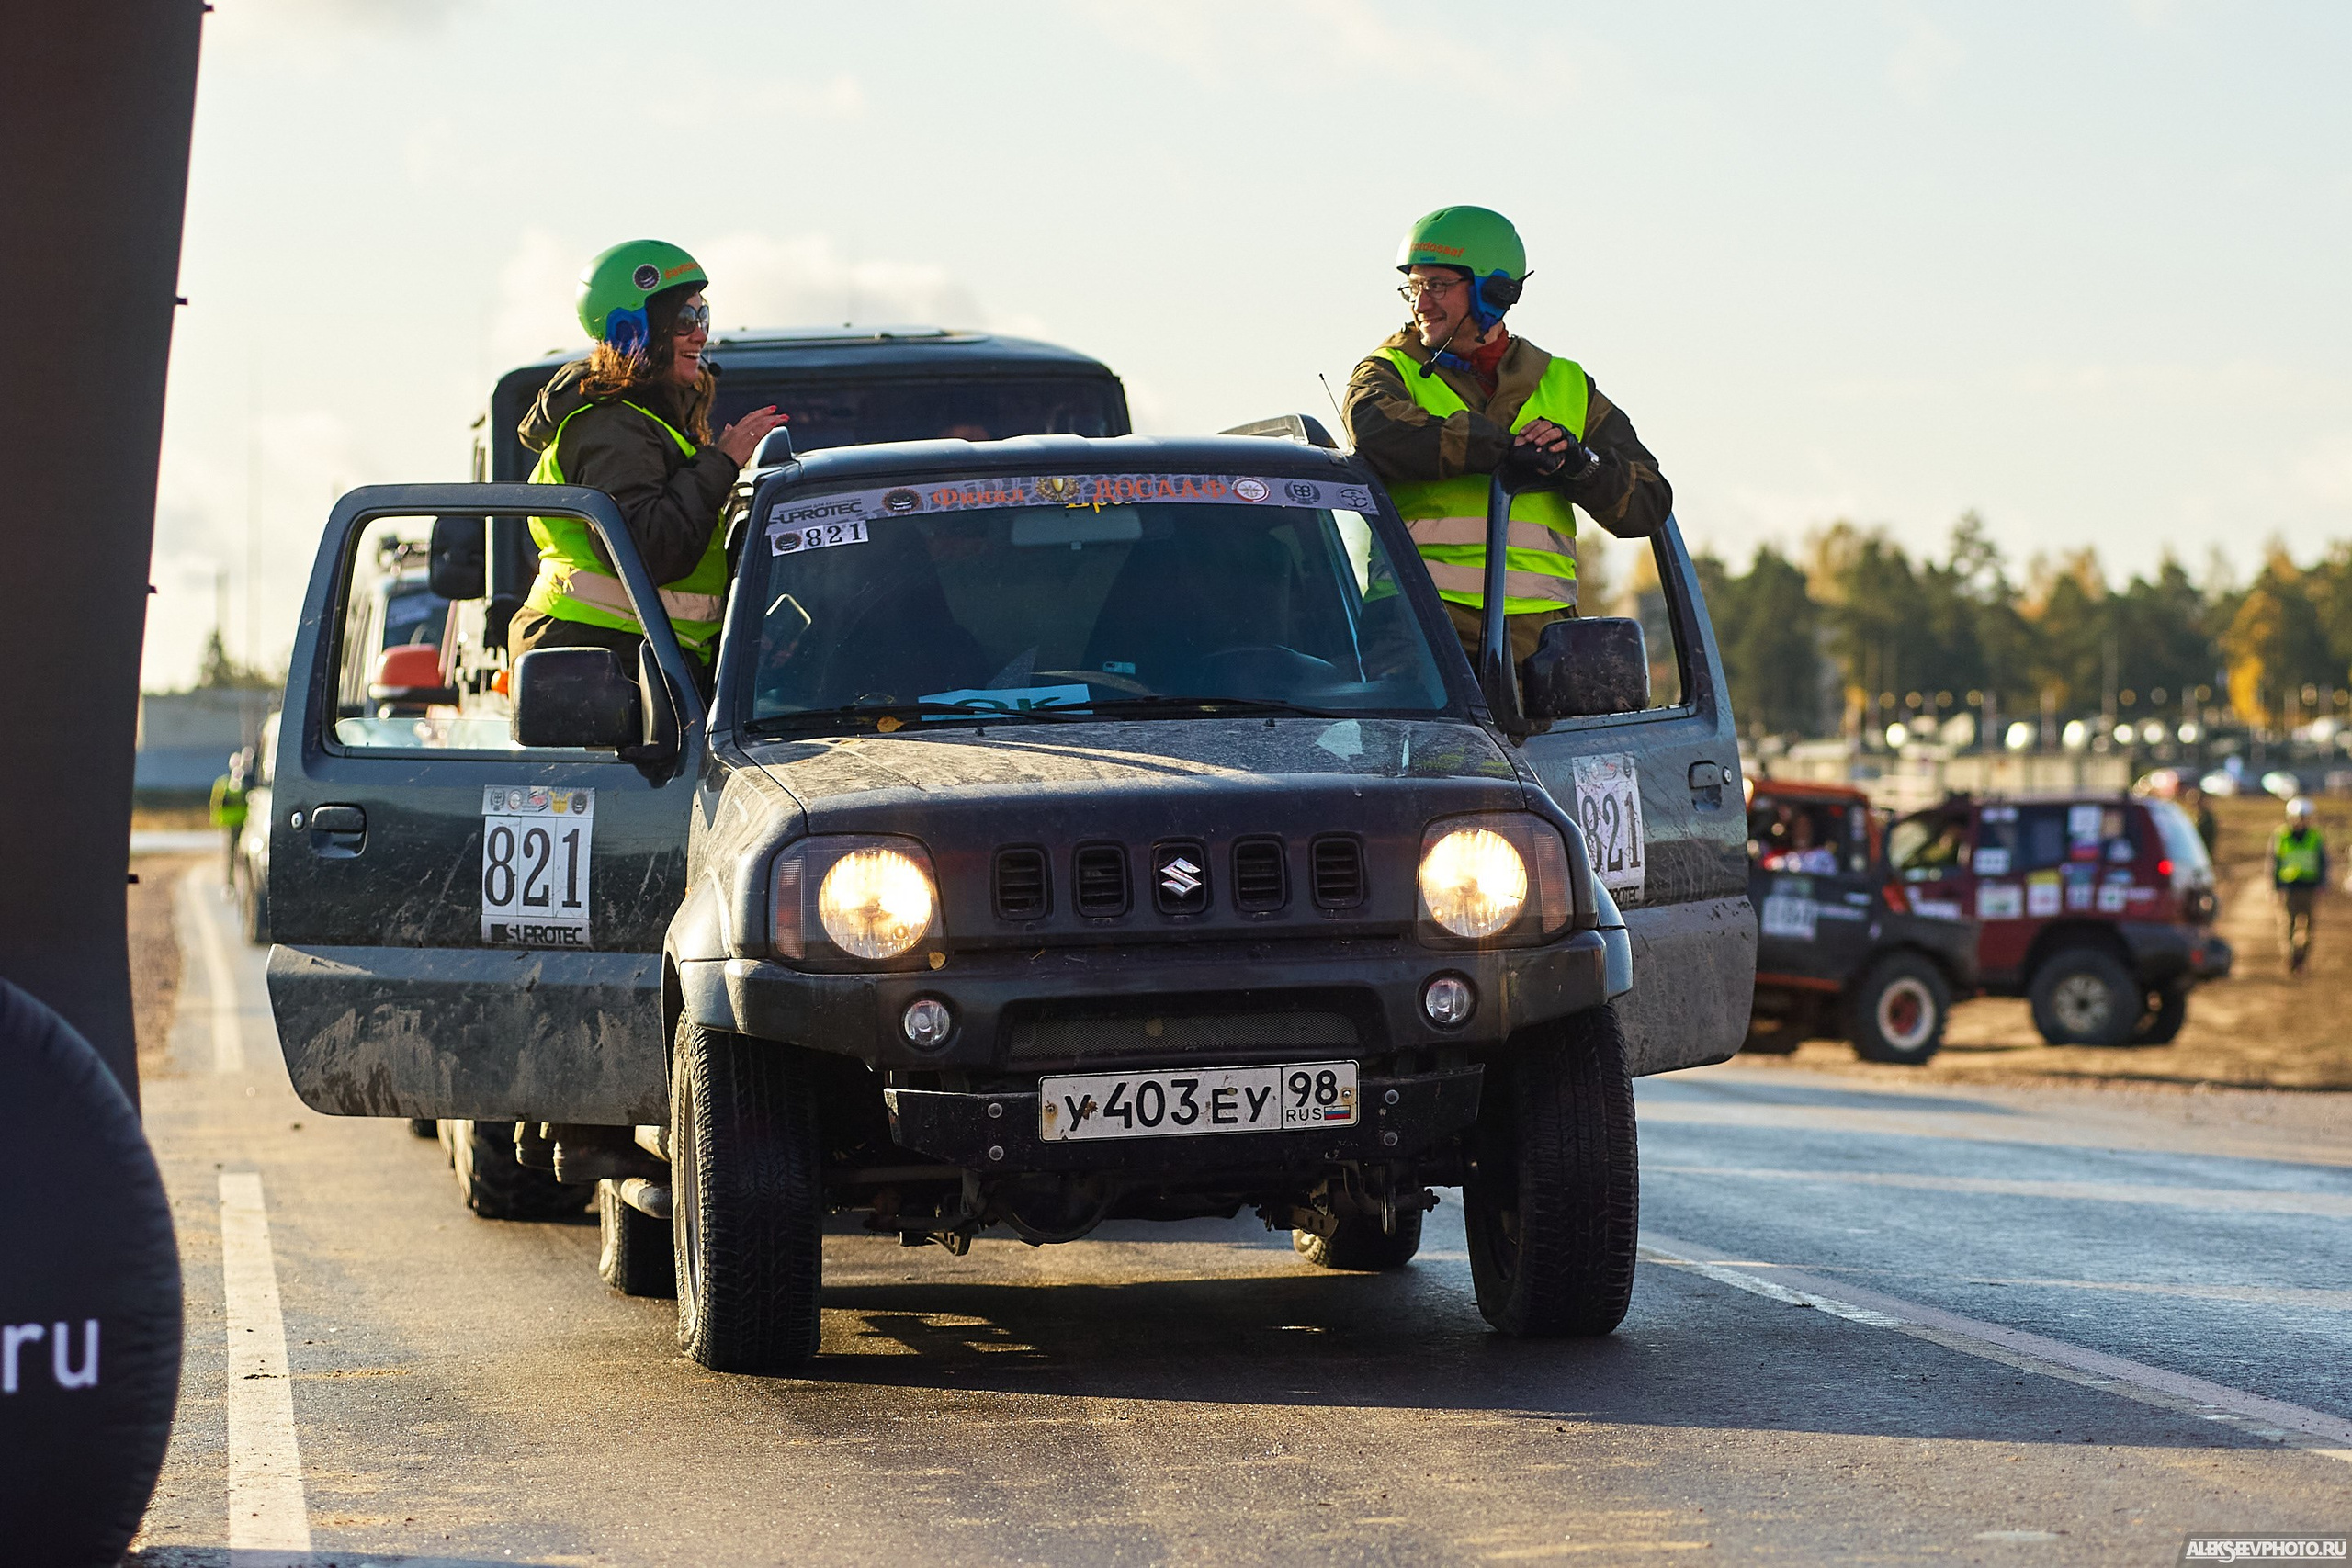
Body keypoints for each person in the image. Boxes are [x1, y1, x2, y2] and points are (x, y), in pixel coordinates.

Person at [1342, 206, 1673, 665]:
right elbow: (1380, 433)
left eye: (1437, 285)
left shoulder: (1567, 384)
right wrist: (1505, 449)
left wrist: (1579, 465)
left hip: (1540, 645)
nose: (1421, 303)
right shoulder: (1385, 370)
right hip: (1416, 633)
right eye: (1414, 287)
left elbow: (1648, 505)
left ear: (1492, 292)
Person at [511, 240, 786, 680]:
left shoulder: (641, 423)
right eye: (683, 319)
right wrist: (721, 463)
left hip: (626, 656)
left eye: (703, 315)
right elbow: (649, 551)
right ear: (633, 329)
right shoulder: (611, 428)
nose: (701, 333)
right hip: (597, 666)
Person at [2270, 796, 2327, 974]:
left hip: (2309, 887)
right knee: (2287, 924)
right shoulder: (2281, 835)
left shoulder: (2315, 837)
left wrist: (2322, 884)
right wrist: (2274, 887)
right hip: (2289, 887)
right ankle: (2291, 958)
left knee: (2308, 926)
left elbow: (2323, 862)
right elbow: (2274, 862)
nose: (2300, 821)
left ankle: (2302, 959)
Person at [209, 749, 251, 885]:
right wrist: (215, 818)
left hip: (242, 822)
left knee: (239, 854)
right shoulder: (224, 783)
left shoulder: (244, 783)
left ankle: (238, 882)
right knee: (232, 854)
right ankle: (230, 882)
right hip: (232, 823)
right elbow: (216, 803)